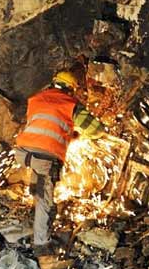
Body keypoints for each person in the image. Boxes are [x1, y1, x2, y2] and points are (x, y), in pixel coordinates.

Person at [14, 70, 106, 256]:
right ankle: (42, 244)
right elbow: (96, 130)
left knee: (38, 183)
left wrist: (69, 133)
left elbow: (46, 125)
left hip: (23, 153)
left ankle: (34, 201)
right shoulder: (70, 104)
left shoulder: (37, 98)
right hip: (44, 159)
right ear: (71, 89)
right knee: (45, 200)